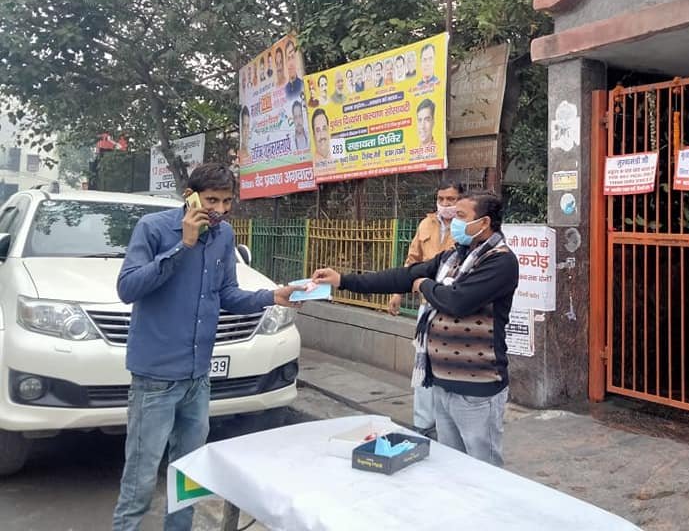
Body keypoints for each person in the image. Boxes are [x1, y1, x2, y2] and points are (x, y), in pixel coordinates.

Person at [112, 163, 300, 531]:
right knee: (140, 480)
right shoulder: (153, 228)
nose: (220, 210)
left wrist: (272, 296)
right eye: (212, 200)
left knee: (189, 479)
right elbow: (128, 288)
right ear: (190, 196)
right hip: (155, 378)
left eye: (227, 202)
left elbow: (227, 293)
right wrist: (182, 245)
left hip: (198, 377)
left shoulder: (224, 235)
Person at [311, 191, 518, 466]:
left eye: (461, 216)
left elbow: (457, 301)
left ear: (484, 222)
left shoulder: (501, 261)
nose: (454, 222)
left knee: (484, 466)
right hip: (442, 383)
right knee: (453, 465)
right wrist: (343, 280)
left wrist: (424, 285)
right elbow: (403, 276)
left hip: (477, 389)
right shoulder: (452, 257)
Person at [388, 181, 463, 437]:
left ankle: (447, 426)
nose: (445, 204)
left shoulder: (465, 227)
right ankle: (422, 424)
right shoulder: (425, 225)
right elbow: (412, 263)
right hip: (426, 306)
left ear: (461, 200)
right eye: (441, 199)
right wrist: (397, 292)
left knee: (449, 366)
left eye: (451, 199)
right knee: (422, 365)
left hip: (453, 307)